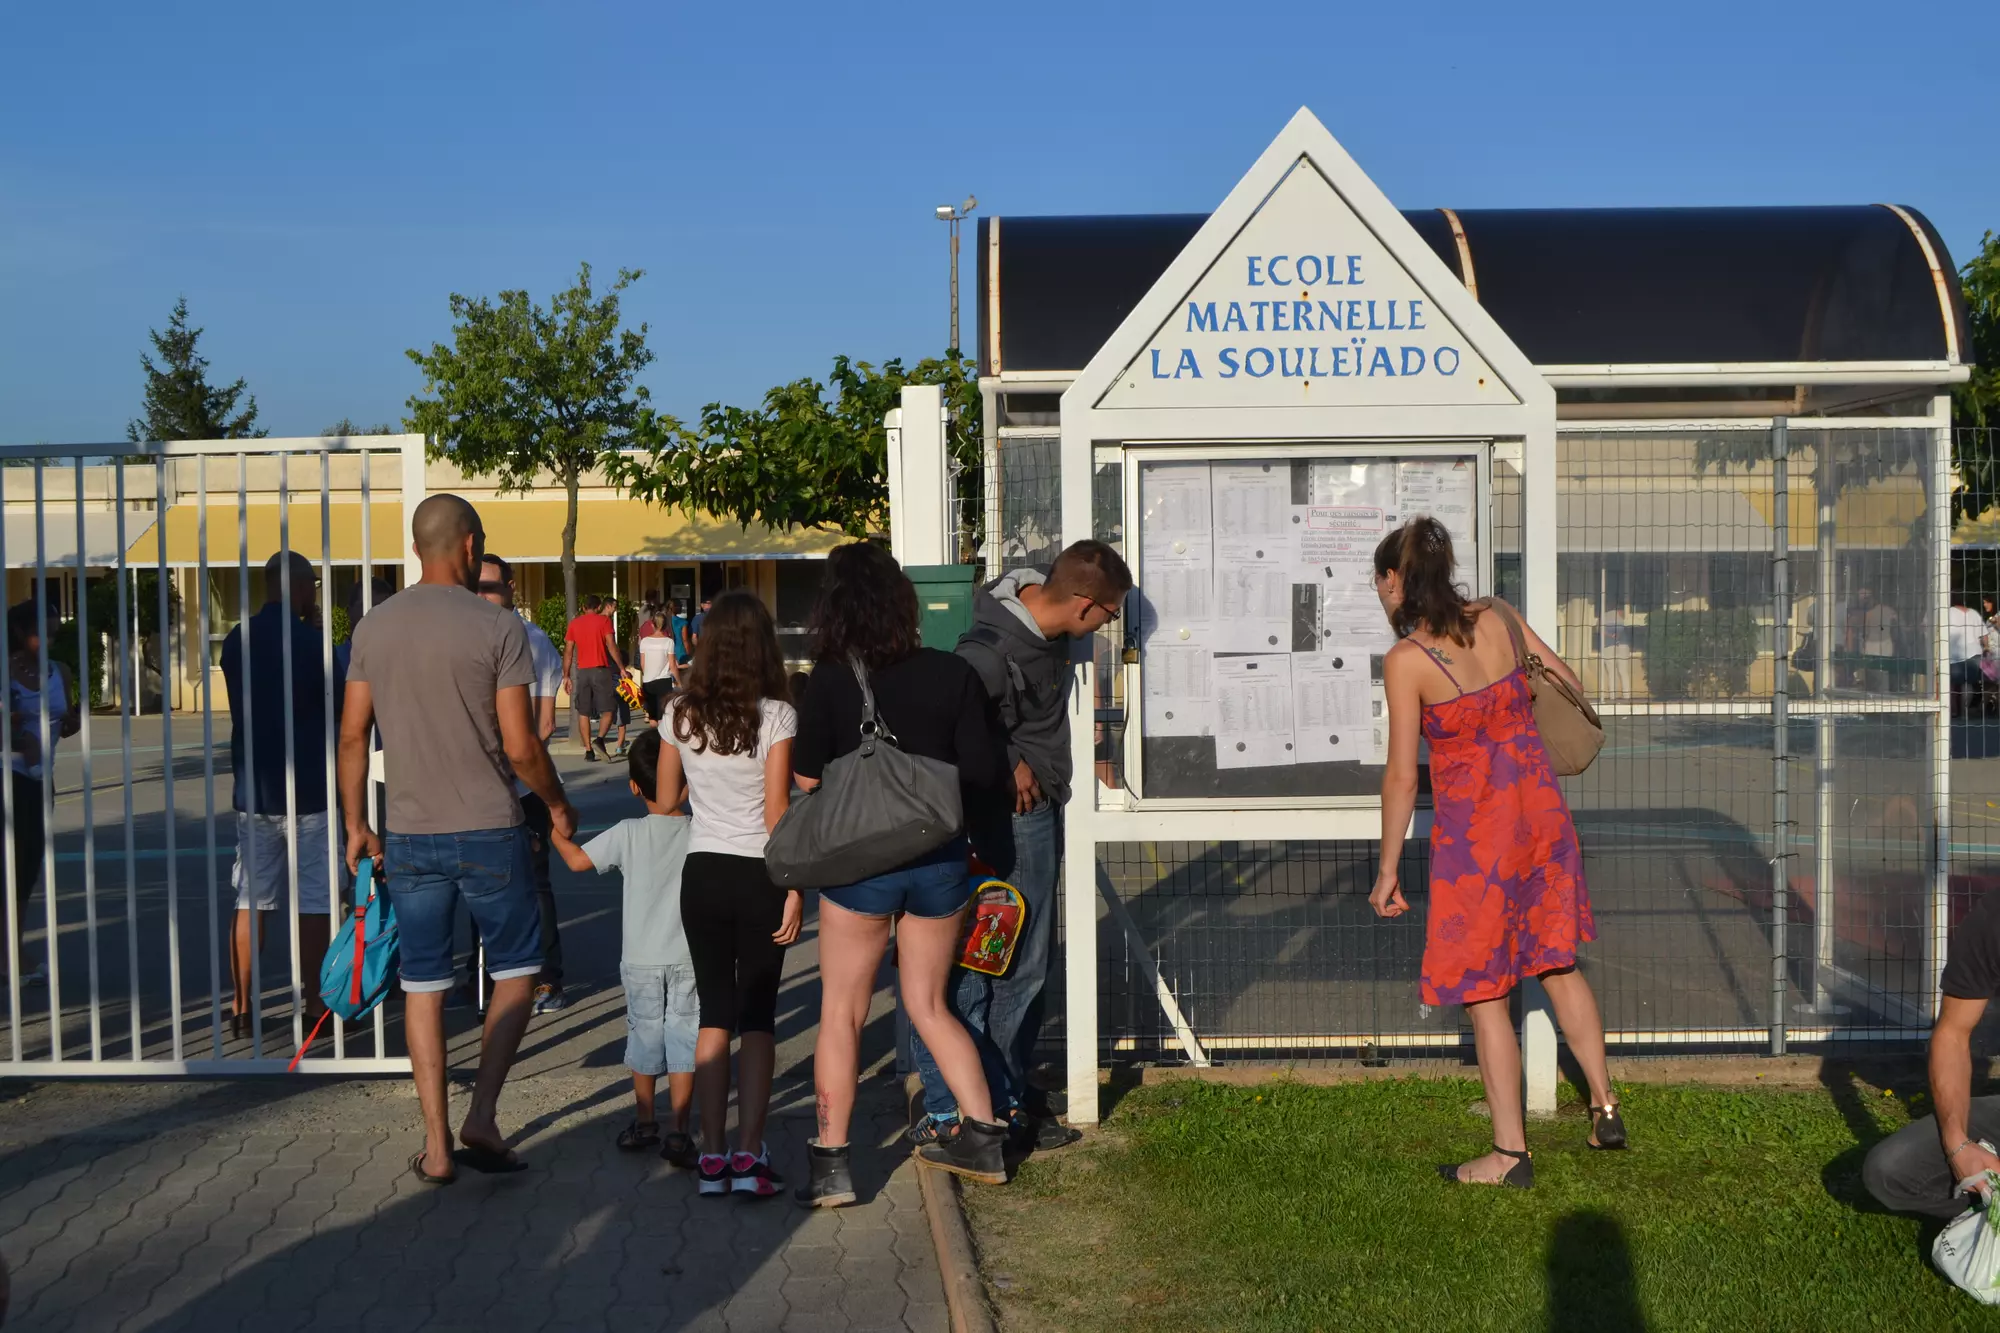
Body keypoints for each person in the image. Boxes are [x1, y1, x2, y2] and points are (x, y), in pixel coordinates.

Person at [1368, 517, 1626, 1188]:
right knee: (1558, 961)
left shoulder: (1407, 662)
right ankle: (1604, 1105)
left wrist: (1389, 866)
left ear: (1395, 582)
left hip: (1476, 839)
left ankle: (1509, 1153)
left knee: (1487, 992)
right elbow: (1563, 679)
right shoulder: (1501, 617)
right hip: (1540, 815)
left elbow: (1401, 775)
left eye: (1380, 580)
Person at [338, 494, 577, 1185]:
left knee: (423, 983)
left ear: (419, 547)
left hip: (409, 831)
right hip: (491, 827)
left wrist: (358, 822)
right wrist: (559, 804)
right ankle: (484, 1111)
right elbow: (521, 744)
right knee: (517, 970)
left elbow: (353, 734)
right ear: (469, 545)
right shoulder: (498, 626)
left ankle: (437, 1145)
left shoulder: (374, 629)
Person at [793, 543, 1013, 1205]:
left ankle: (833, 1163)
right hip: (940, 862)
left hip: (861, 867)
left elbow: (806, 776)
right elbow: (982, 774)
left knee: (841, 1012)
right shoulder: (952, 674)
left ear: (833, 606)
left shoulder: (830, 678)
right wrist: (994, 857)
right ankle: (982, 1138)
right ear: (903, 602)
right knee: (928, 1003)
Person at [908, 539, 1132, 1152]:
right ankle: (993, 1102)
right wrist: (1009, 762)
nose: (1108, 629)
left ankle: (1002, 1087)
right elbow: (950, 722)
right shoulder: (989, 653)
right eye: (1110, 617)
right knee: (1012, 959)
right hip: (1013, 819)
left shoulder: (1034, 592)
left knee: (1023, 957)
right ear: (1085, 607)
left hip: (1037, 807)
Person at [655, 590, 801, 1198]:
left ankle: (710, 1156)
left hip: (703, 871)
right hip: (759, 872)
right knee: (759, 1017)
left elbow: (665, 801)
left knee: (713, 1012)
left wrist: (705, 788)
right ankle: (749, 1155)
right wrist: (795, 888)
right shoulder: (776, 715)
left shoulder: (679, 714)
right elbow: (776, 812)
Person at [549, 729, 701, 1168]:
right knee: (685, 1035)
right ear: (688, 781)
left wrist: (555, 834)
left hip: (640, 958)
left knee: (645, 1032)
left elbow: (578, 861)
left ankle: (646, 1120)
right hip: (690, 956)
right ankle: (680, 1130)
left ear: (634, 787)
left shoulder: (628, 832)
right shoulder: (701, 830)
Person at [219, 550, 344, 1039]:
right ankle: (314, 1003)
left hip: (255, 788)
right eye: (312, 585)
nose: (315, 593)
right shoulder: (312, 644)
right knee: (314, 900)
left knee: (251, 896)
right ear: (297, 586)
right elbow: (332, 705)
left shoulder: (236, 640)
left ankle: (242, 1006)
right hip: (309, 786)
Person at [1863, 886, 2000, 1219]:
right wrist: (1957, 1145)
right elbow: (1952, 1034)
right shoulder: (1993, 917)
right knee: (1890, 1172)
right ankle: (1987, 1208)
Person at [475, 554, 569, 1014]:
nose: (484, 596)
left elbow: (545, 724)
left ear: (512, 588)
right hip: (474, 785)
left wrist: (515, 763)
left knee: (534, 885)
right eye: (477, 587)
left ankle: (547, 978)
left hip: (524, 784)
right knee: (478, 883)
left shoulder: (535, 642)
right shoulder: (465, 638)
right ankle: (485, 978)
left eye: (491, 588)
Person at [2, 601, 75, 987]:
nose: (49, 640)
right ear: (19, 632)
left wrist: (72, 721)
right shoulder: (5, 673)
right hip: (8, 777)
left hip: (40, 779)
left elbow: (68, 722)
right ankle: (10, 954)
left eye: (54, 633)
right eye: (41, 633)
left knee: (27, 868)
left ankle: (12, 950)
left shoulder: (58, 671)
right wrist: (16, 737)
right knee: (8, 866)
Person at [563, 593, 625, 762]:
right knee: (609, 709)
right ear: (598, 607)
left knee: (584, 712)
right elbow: (611, 645)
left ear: (584, 607)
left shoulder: (574, 624)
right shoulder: (604, 621)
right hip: (600, 670)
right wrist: (621, 668)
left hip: (582, 672)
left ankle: (589, 751)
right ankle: (599, 739)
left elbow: (568, 651)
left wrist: (566, 675)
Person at [637, 600, 679, 722]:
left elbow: (642, 664)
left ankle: (653, 739)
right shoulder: (668, 642)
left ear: (652, 624)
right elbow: (672, 665)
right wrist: (679, 682)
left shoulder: (644, 641)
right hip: (664, 681)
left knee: (652, 716)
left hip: (648, 681)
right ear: (666, 625)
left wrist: (648, 673)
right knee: (664, 716)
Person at [1949, 594, 1985, 713]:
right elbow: (1984, 636)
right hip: (1974, 653)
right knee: (1967, 684)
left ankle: (1953, 712)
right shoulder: (1974, 613)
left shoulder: (1948, 612)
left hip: (1954, 654)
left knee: (1952, 684)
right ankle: (1965, 712)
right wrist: (1985, 648)